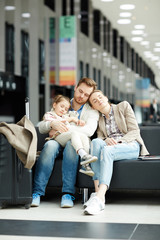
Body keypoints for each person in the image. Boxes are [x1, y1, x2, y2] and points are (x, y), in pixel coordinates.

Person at [31, 77, 99, 208]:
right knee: (49, 145)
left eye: (86, 94)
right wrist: (52, 123)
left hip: (75, 143)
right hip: (56, 141)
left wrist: (62, 129)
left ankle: (67, 194)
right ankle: (37, 192)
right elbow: (42, 126)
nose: (82, 96)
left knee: (70, 146)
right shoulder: (64, 104)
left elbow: (89, 130)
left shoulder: (92, 111)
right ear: (75, 88)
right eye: (80, 91)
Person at [83, 90, 149, 215]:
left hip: (130, 144)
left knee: (107, 150)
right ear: (93, 107)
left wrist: (119, 142)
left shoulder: (123, 106)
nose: (99, 101)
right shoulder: (100, 119)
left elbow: (134, 130)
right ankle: (97, 193)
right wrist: (106, 139)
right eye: (95, 101)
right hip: (112, 147)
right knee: (96, 142)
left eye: (100, 97)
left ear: (106, 97)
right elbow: (100, 137)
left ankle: (100, 198)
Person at [43, 94, 98, 176]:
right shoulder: (49, 115)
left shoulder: (65, 116)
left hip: (65, 136)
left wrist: (78, 122)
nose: (63, 110)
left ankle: (85, 165)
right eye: (61, 106)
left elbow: (72, 123)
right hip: (57, 137)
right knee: (74, 133)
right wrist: (71, 119)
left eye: (66, 109)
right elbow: (58, 123)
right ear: (54, 105)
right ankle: (83, 154)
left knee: (83, 136)